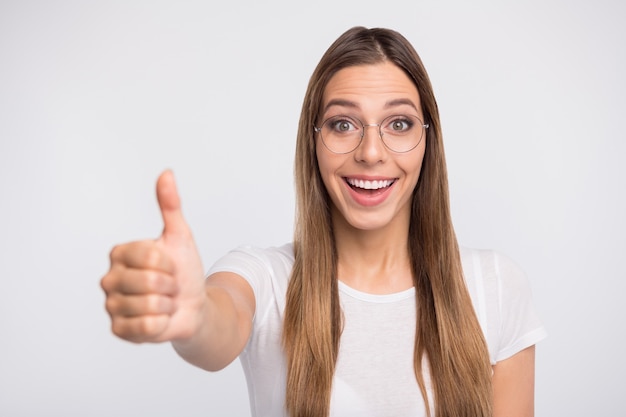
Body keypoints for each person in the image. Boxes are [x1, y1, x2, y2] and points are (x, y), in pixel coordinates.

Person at [100, 26, 547, 417]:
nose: (371, 153)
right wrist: (193, 314)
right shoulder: (267, 279)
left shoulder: (495, 286)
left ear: (428, 141)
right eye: (342, 125)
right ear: (312, 141)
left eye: (398, 123)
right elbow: (220, 322)